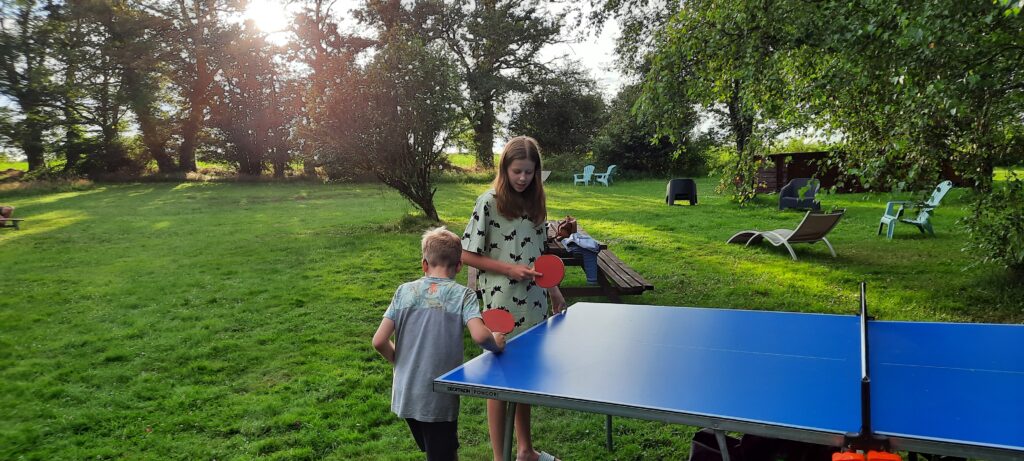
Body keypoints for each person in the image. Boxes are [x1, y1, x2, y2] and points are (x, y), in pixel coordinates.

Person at [460, 136, 566, 461]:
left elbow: (538, 252)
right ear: (504, 168)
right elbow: (466, 255)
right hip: (500, 302)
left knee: (524, 377)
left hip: (533, 302)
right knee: (499, 381)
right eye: (517, 171)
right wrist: (508, 269)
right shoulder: (488, 203)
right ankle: (499, 457)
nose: (522, 178)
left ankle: (525, 450)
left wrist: (554, 289)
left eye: (529, 172)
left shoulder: (535, 205)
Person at [373, 227, 506, 461]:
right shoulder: (463, 295)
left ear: (424, 264)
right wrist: (496, 342)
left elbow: (379, 341)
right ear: (458, 267)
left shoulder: (403, 291)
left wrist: (400, 360)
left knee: (440, 451)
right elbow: (480, 336)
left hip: (406, 393)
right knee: (442, 454)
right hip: (436, 397)